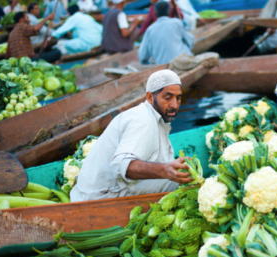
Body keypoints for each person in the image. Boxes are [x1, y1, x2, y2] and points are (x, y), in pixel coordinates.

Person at [70, 69, 193, 202]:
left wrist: (167, 168)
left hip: (98, 191)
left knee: (178, 173)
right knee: (180, 181)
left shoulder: (153, 117)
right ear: (150, 98)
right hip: (101, 197)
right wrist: (166, 170)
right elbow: (121, 165)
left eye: (178, 98)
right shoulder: (143, 120)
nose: (174, 105)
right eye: (168, 98)